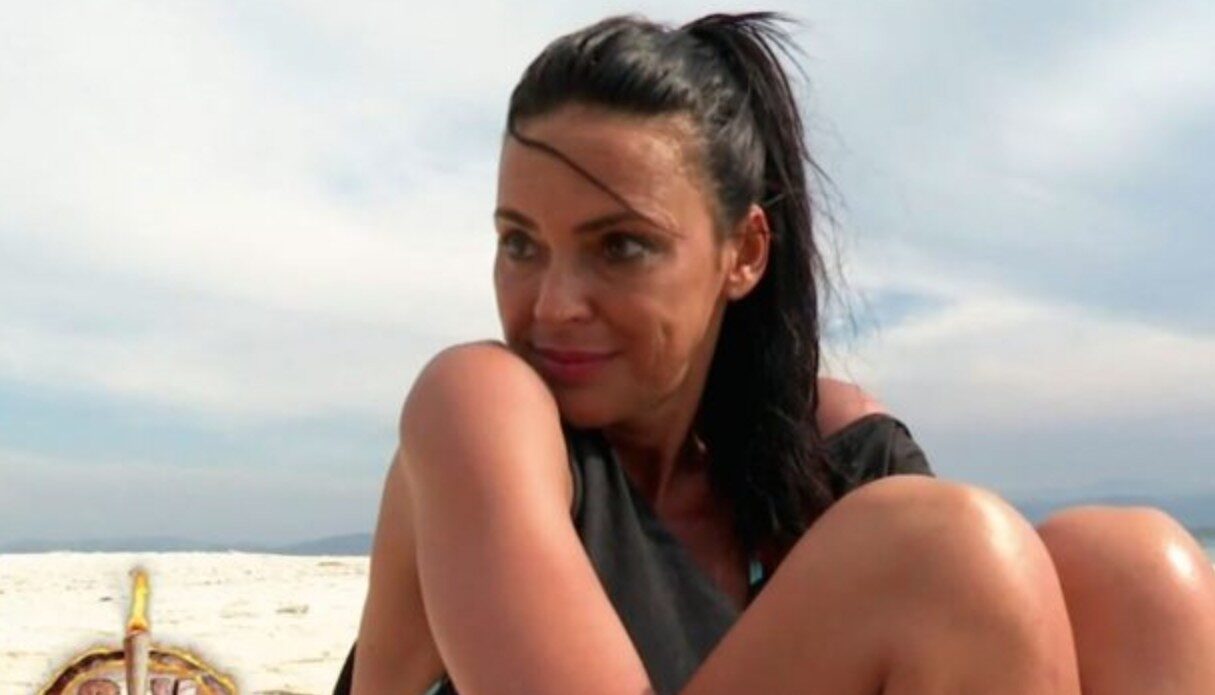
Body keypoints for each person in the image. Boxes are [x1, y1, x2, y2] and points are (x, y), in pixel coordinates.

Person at [333, 12, 1215, 695]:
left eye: (620, 245)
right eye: (519, 242)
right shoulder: (478, 407)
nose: (552, 302)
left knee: (1136, 571)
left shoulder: (827, 454)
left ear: (745, 251)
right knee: (941, 556)